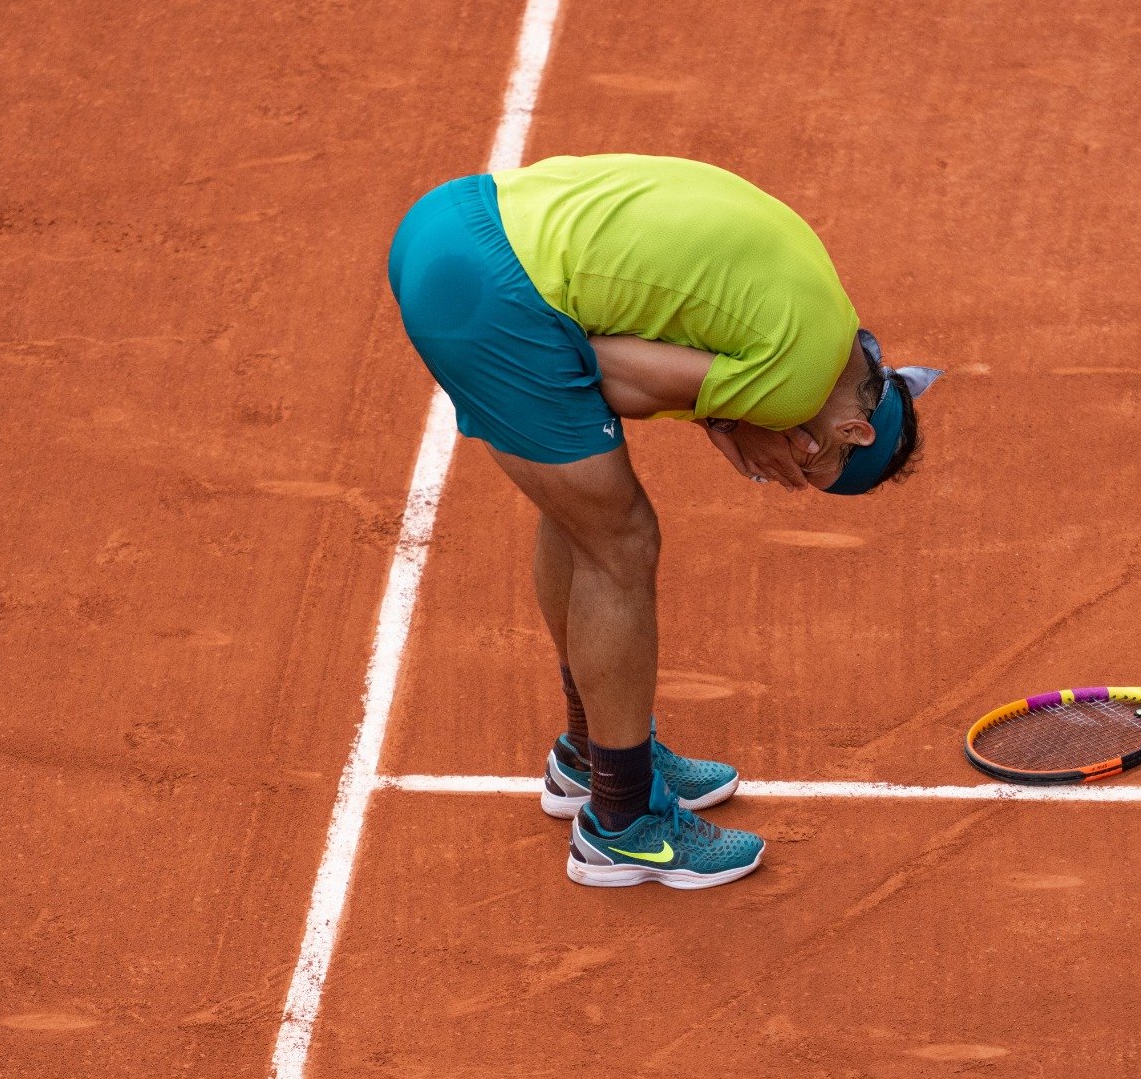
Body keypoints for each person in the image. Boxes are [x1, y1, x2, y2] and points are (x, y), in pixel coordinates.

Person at [386, 154, 940, 889]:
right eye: (805, 461)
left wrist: (716, 411)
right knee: (622, 541)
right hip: (486, 291)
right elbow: (597, 366)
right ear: (851, 431)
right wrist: (737, 418)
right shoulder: (797, 384)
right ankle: (623, 825)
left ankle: (594, 754)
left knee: (582, 515)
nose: (779, 466)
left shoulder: (828, 318)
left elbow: (603, 368)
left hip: (454, 219)